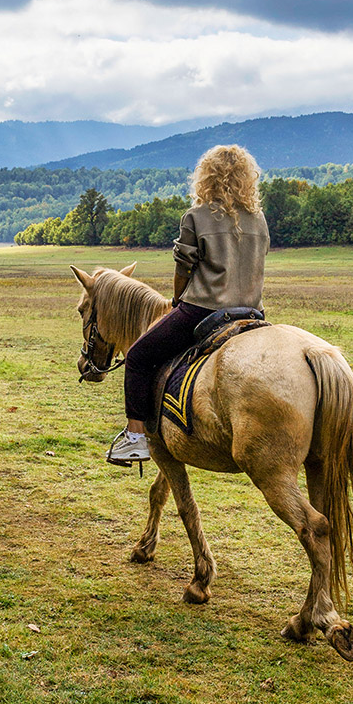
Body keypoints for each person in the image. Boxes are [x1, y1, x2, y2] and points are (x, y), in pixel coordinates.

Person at [107, 144, 270, 465]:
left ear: (206, 177)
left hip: (204, 310)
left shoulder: (195, 217)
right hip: (253, 312)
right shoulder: (258, 219)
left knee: (139, 356)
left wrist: (177, 300)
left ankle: (136, 438)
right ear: (247, 178)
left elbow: (184, 269)